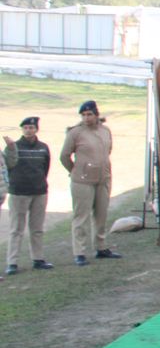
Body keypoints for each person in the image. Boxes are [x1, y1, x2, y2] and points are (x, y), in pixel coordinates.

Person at [59, 100, 117, 266]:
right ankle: (80, 252)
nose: (86, 118)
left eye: (89, 114)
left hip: (103, 178)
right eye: (83, 115)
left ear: (96, 114)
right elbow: (64, 156)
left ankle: (101, 247)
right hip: (82, 181)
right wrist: (75, 171)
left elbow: (108, 151)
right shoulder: (75, 133)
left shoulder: (105, 131)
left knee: (101, 215)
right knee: (81, 216)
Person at [5, 118, 53, 276]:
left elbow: (45, 168)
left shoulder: (43, 148)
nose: (28, 130)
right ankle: (12, 262)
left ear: (36, 129)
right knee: (16, 229)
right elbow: (8, 167)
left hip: (39, 192)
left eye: (31, 127)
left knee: (37, 228)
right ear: (22, 130)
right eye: (25, 127)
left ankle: (38, 259)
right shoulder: (14, 147)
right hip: (19, 193)